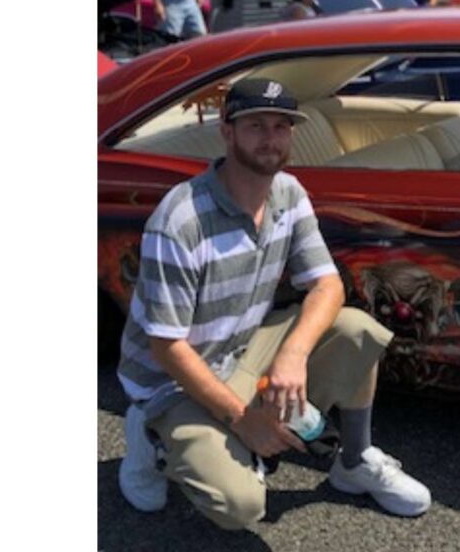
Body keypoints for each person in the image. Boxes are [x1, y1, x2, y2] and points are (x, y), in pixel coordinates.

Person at [117, 77, 432, 529]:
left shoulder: (288, 192)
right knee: (240, 507)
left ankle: (355, 460)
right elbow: (167, 346)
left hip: (241, 348)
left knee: (357, 331)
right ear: (227, 132)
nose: (271, 139)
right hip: (172, 379)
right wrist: (244, 421)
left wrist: (293, 355)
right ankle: (150, 437)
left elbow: (328, 285)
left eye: (281, 126)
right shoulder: (180, 219)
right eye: (256, 126)